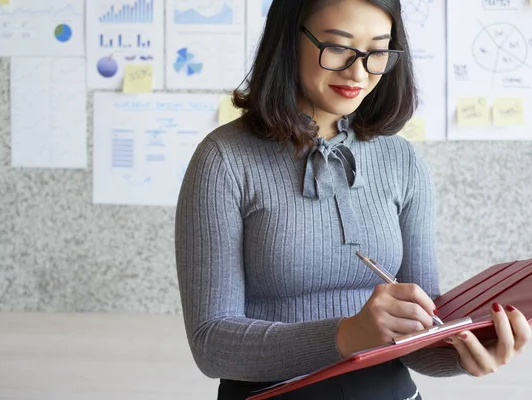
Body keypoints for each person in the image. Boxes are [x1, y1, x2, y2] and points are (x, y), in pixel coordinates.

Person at [174, 0, 532, 399]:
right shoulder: (223, 160)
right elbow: (211, 344)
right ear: (288, 41)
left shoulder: (403, 160)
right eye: (339, 47)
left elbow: (420, 333)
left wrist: (466, 355)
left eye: (377, 52)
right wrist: (346, 335)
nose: (358, 72)